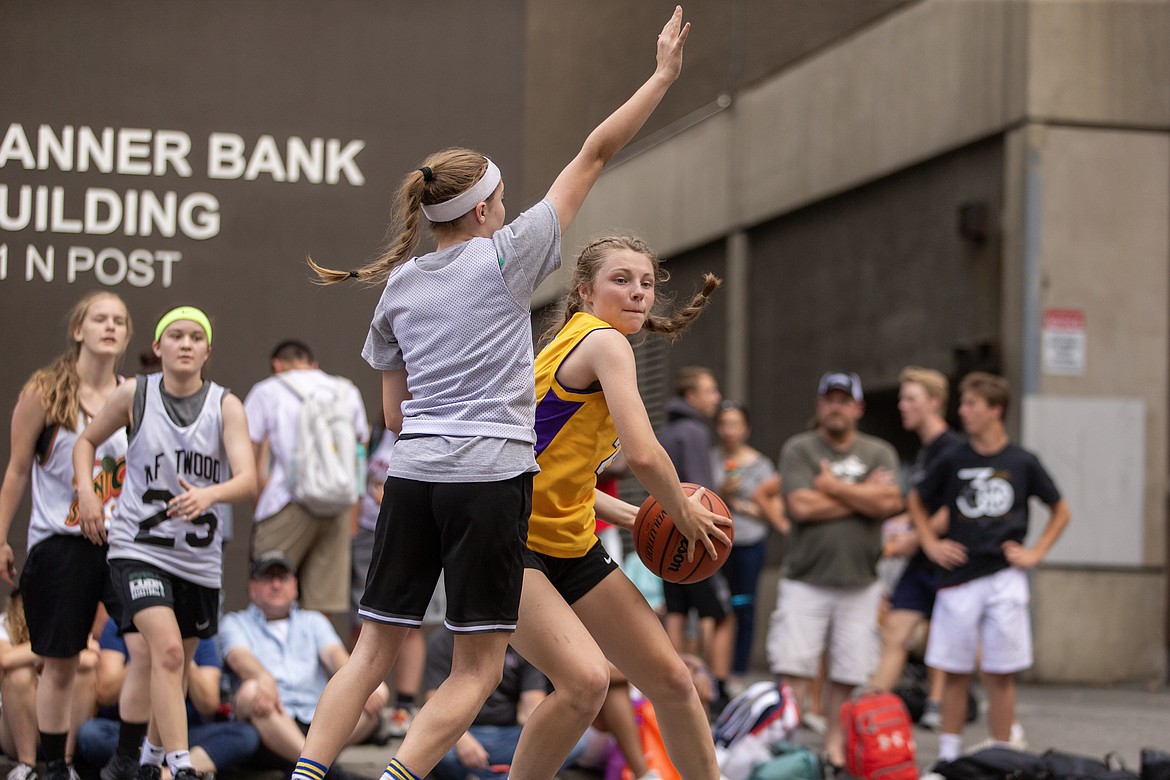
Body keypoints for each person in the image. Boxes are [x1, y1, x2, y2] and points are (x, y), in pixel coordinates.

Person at [291, 9, 694, 780]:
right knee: (473, 673)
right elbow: (596, 151)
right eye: (502, 197)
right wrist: (663, 75)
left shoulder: (400, 287)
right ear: (481, 209)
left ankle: (307, 774)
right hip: (486, 478)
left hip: (411, 476)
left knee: (373, 649)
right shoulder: (508, 258)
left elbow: (392, 415)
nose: (508, 206)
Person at [511, 234, 730, 779]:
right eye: (621, 280)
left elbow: (562, 477)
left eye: (648, 283)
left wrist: (644, 518)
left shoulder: (570, 345)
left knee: (673, 682)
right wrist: (681, 510)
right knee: (584, 684)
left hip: (566, 541)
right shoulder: (605, 344)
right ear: (585, 291)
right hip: (508, 541)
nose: (638, 293)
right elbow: (644, 454)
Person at [74, 305, 257, 780]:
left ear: (207, 351)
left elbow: (248, 479)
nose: (185, 343)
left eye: (195, 337)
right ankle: (180, 764)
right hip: (139, 548)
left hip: (197, 559)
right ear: (158, 347)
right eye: (175, 335)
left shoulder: (224, 405)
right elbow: (84, 443)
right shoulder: (135, 393)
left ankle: (149, 758)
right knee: (167, 653)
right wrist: (88, 496)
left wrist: (210, 494)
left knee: (174, 667)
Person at [0, 291, 132, 780]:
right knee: (59, 661)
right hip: (61, 543)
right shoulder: (45, 391)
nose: (110, 327)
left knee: (146, 647)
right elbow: (16, 471)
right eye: (100, 318)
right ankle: (52, 765)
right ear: (79, 330)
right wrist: (1, 537)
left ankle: (134, 757)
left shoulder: (132, 393)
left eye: (119, 320)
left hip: (121, 546)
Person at [910, 372, 1070, 762]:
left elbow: (1060, 511)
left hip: (1004, 577)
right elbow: (916, 498)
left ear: (995, 410)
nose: (963, 412)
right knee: (955, 670)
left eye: (971, 405)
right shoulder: (953, 458)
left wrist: (1035, 553)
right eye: (962, 404)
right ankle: (947, 759)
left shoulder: (1022, 461)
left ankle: (1002, 757)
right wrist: (931, 544)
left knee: (1000, 672)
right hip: (959, 578)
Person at [765, 371, 903, 772]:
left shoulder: (879, 452)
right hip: (805, 578)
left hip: (861, 581)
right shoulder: (800, 449)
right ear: (819, 405)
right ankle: (785, 749)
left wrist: (832, 487)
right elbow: (801, 508)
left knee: (849, 670)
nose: (836, 407)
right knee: (794, 667)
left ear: (858, 408)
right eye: (829, 399)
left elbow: (891, 501)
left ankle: (834, 750)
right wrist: (864, 496)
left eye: (845, 400)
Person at [220, 551, 389, 777]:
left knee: (377, 688)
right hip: (270, 721)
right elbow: (239, 658)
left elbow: (337, 657)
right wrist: (263, 677)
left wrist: (361, 685)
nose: (276, 585)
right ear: (252, 588)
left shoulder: (313, 621)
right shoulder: (235, 622)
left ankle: (306, 764)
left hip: (317, 720)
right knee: (252, 691)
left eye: (283, 578)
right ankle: (323, 770)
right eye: (268, 578)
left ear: (295, 586)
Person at [244, 340, 370, 617]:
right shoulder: (346, 391)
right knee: (321, 611)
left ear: (277, 365)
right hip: (338, 504)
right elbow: (360, 454)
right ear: (314, 364)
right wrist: (352, 512)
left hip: (285, 502)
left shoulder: (267, 390)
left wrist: (259, 505)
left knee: (269, 598)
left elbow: (248, 460)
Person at [869, 367, 964, 728]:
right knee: (896, 628)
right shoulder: (924, 453)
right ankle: (873, 704)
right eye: (901, 398)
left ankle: (938, 705)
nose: (902, 406)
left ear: (934, 403)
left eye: (910, 399)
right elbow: (921, 505)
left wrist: (915, 539)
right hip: (922, 557)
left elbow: (949, 508)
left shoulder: (952, 448)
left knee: (942, 634)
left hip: (943, 557)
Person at [76, 617, 260, 778]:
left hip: (184, 735)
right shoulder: (120, 621)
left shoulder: (197, 626)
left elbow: (208, 705)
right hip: (132, 735)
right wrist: (145, 656)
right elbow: (106, 693)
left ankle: (165, 775)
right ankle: (160, 769)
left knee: (245, 735)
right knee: (91, 734)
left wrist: (180, 657)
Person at [657, 367, 735, 710]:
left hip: (662, 534)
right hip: (693, 533)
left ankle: (673, 678)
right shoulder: (694, 431)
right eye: (710, 391)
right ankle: (717, 686)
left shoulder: (667, 430)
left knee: (676, 610)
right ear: (691, 396)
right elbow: (702, 491)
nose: (715, 398)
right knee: (722, 614)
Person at [350, 428, 422, 740]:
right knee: (362, 618)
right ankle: (362, 702)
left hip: (412, 530)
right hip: (369, 531)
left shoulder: (428, 418)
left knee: (409, 622)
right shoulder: (380, 430)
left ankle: (403, 707)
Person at [710, 402, 780, 695]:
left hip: (749, 541)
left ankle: (738, 672)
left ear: (746, 429)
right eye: (724, 423)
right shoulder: (710, 459)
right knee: (716, 607)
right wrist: (723, 493)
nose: (730, 431)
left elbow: (774, 511)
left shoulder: (762, 465)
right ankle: (715, 672)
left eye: (736, 424)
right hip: (716, 539)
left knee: (744, 606)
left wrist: (743, 505)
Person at [422, 629, 549, 780]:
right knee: (430, 749)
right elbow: (433, 700)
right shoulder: (443, 640)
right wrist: (460, 739)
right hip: (460, 729)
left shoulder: (522, 643)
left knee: (569, 741)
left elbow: (533, 703)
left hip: (508, 734)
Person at [0, 590, 99, 780]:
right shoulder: (5, 622)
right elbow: (5, 659)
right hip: (18, 731)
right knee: (19, 673)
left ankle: (65, 763)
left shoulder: (70, 622)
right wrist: (54, 645)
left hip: (62, 726)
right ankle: (26, 766)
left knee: (82, 673)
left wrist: (39, 651)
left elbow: (90, 660)